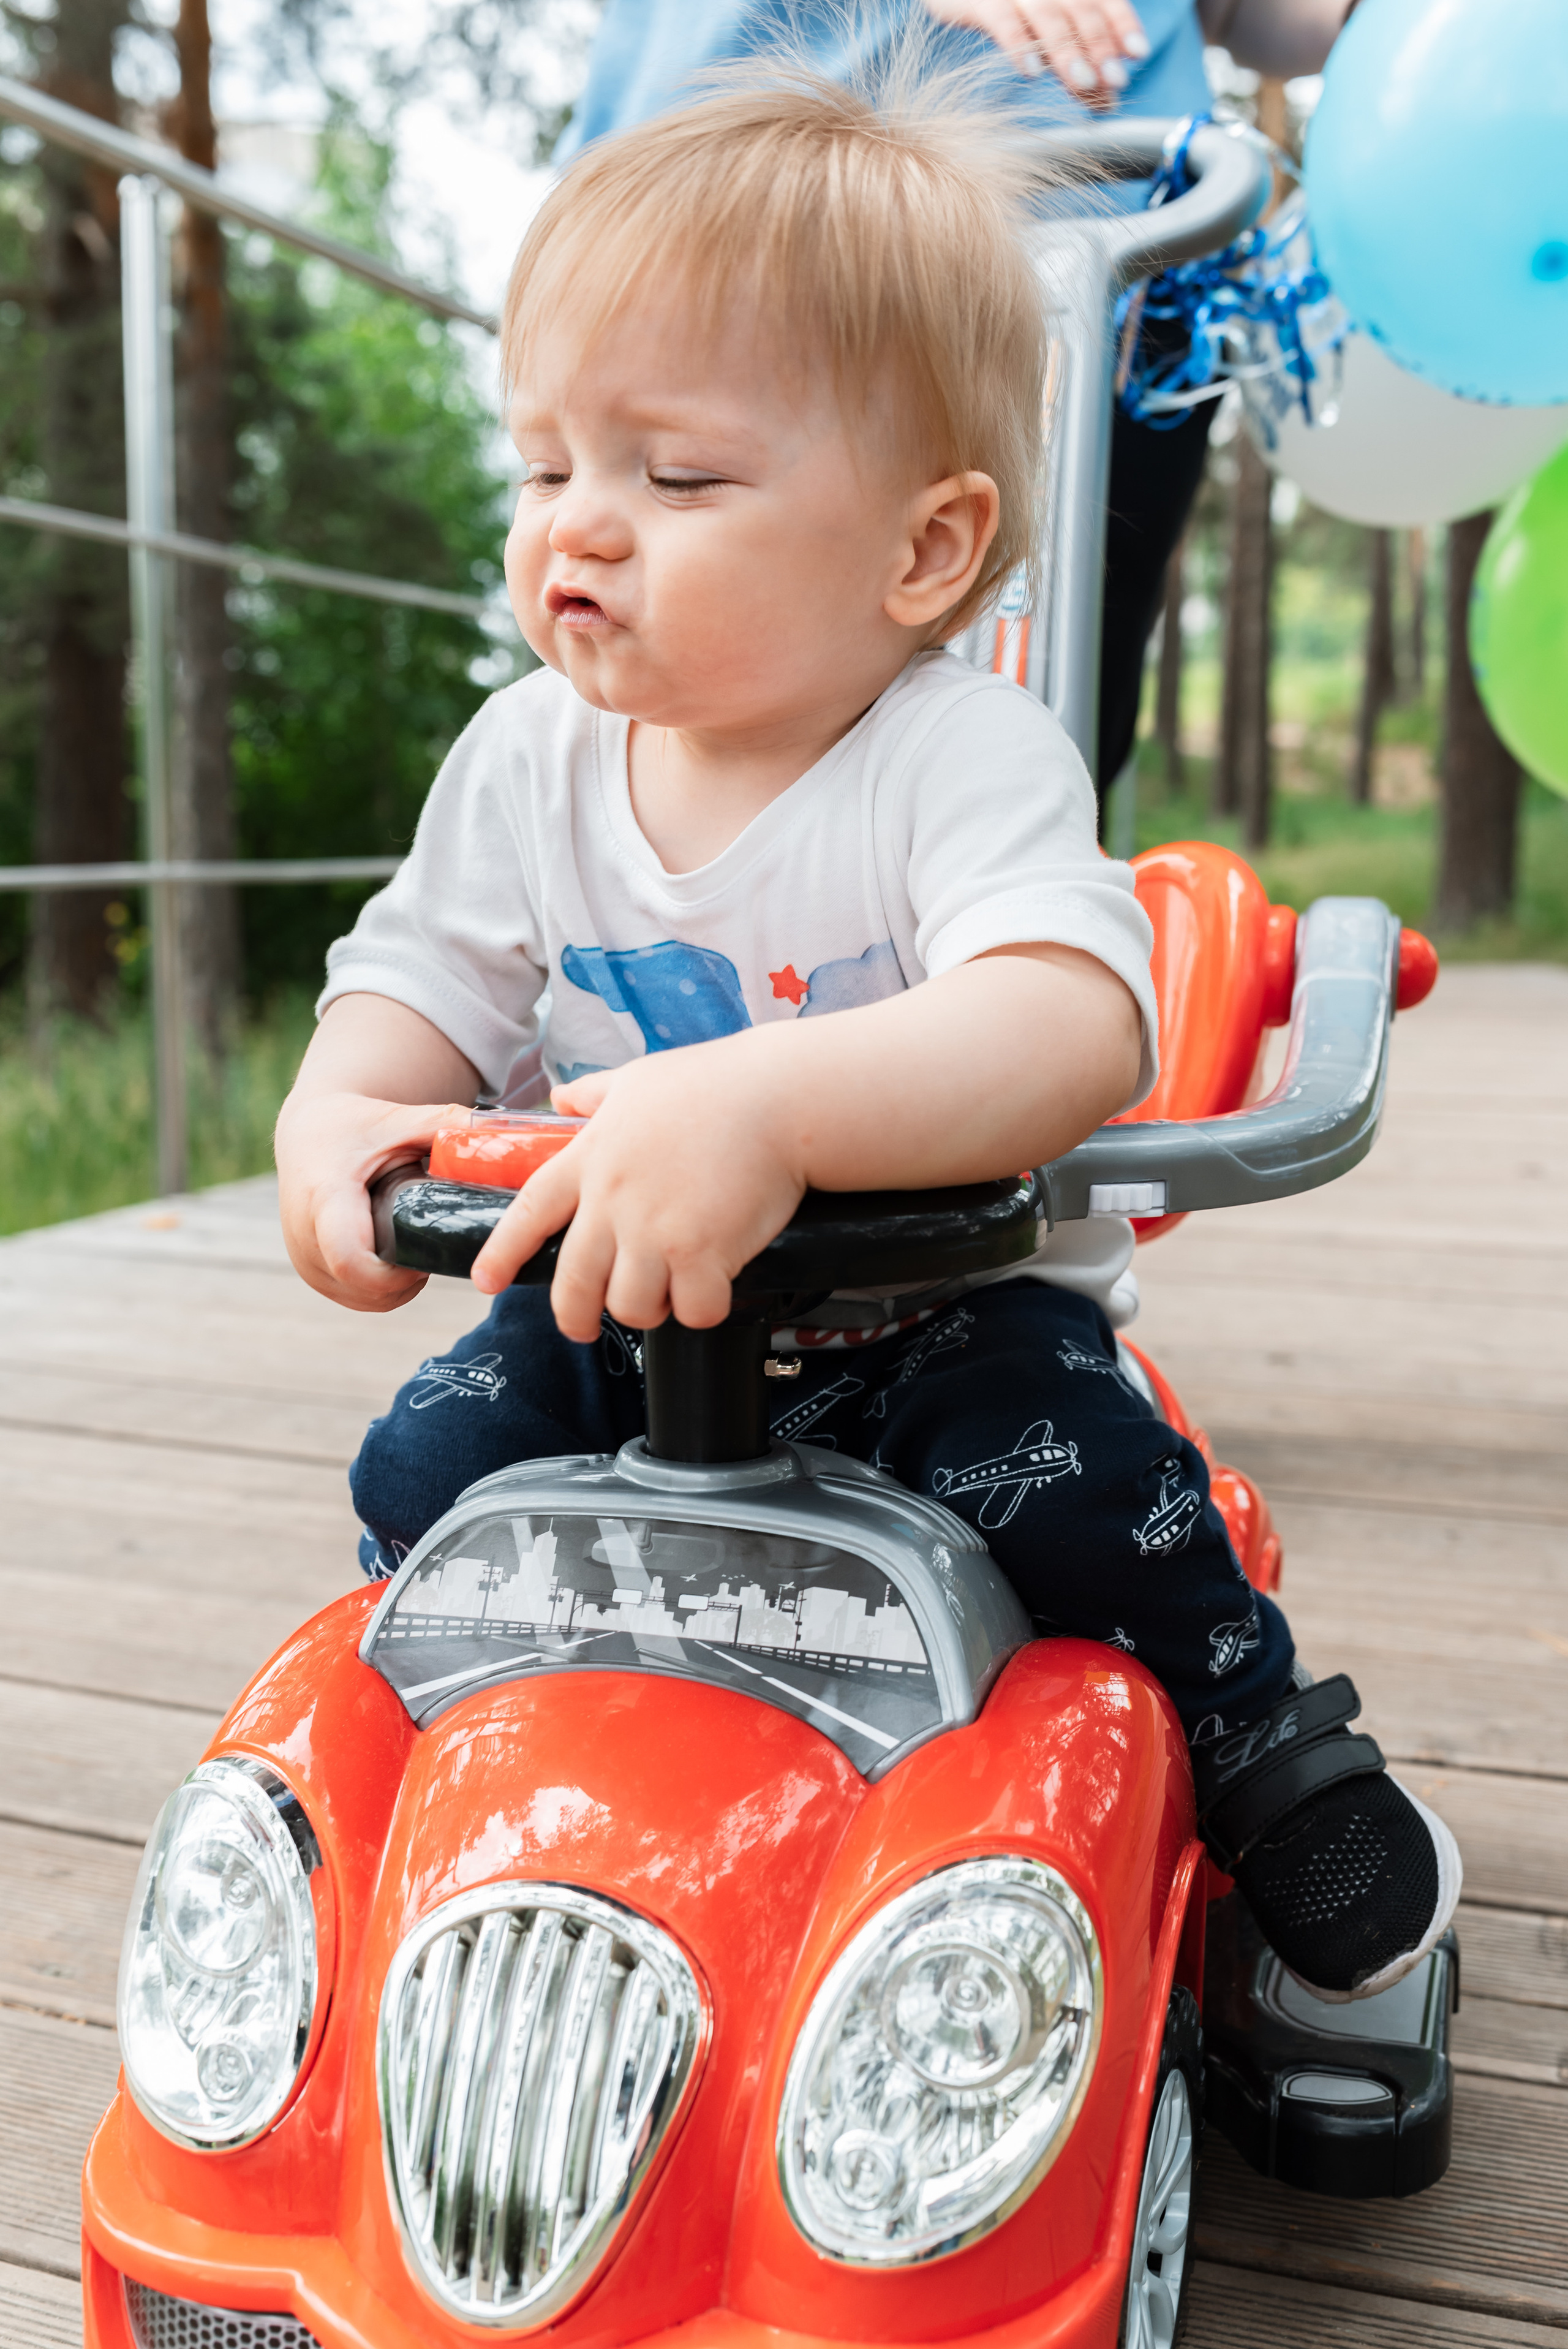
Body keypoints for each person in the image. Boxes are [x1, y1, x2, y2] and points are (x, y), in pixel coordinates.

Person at [274, 65, 1458, 2002]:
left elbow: (1070, 1022)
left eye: (674, 477)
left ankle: (1261, 1740)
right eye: (543, 464)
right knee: (425, 1472)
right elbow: (415, 988)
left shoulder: (958, 759)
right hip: (623, 1304)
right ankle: (443, 1790)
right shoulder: (523, 762)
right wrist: (341, 1121)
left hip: (944, 1316)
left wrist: (764, 1104)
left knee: (1096, 1496)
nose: (581, 527)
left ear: (921, 552)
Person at [556, 0, 1359, 806]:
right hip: (715, 251)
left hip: (1115, 288)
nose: (559, 515)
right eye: (540, 477)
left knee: (1026, 769)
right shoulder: (525, 761)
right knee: (647, 751)